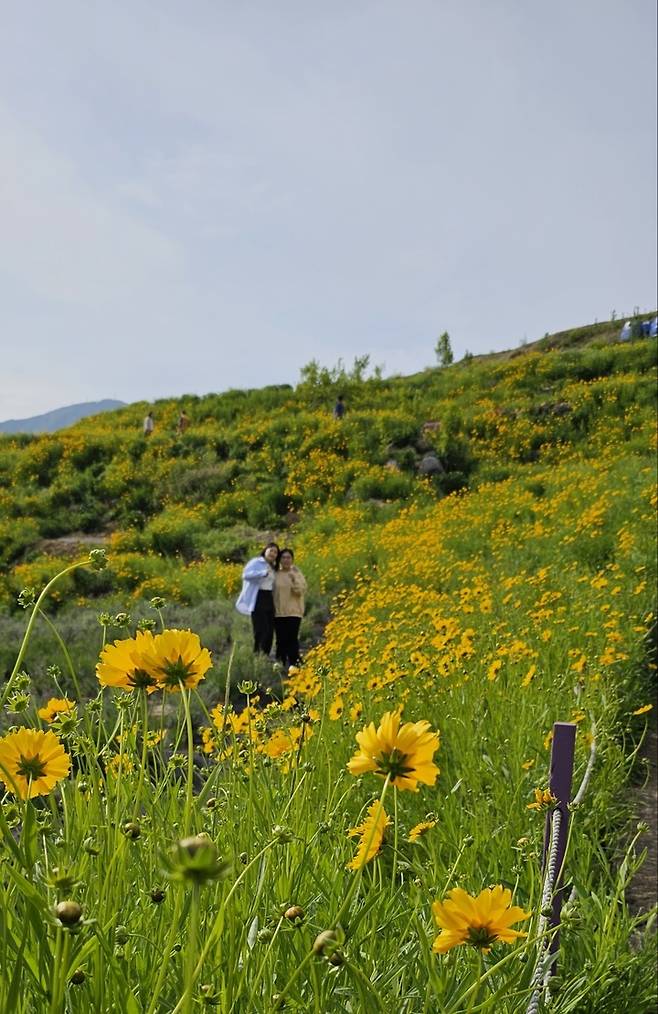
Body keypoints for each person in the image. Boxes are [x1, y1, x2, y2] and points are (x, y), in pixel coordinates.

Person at [235, 542, 279, 654]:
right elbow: (246, 575)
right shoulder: (256, 562)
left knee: (270, 629)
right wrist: (262, 573)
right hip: (258, 597)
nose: (273, 553)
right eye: (271, 550)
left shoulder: (273, 567)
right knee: (261, 629)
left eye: (275, 552)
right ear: (265, 550)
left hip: (269, 597)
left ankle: (265, 654)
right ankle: (257, 653)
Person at [273, 548, 307, 668]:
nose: (286, 560)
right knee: (281, 639)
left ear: (292, 559)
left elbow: (301, 591)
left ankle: (295, 662)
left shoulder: (296, 573)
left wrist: (294, 579)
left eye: (289, 557)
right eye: (283, 557)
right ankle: (280, 662)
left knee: (292, 638)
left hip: (294, 612)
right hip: (279, 612)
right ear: (279, 560)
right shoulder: (275, 573)